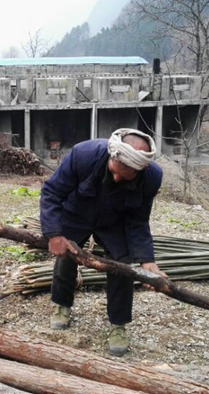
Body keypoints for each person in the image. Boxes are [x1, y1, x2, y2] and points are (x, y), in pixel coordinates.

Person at [39, 128, 166, 356]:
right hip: (78, 212)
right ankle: (61, 304)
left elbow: (138, 220)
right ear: (112, 156)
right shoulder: (83, 155)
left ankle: (118, 325)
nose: (116, 178)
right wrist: (54, 234)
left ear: (140, 169)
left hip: (115, 221)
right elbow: (52, 192)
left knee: (122, 266)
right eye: (114, 172)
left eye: (124, 176)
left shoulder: (151, 177)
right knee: (66, 257)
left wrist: (148, 261)